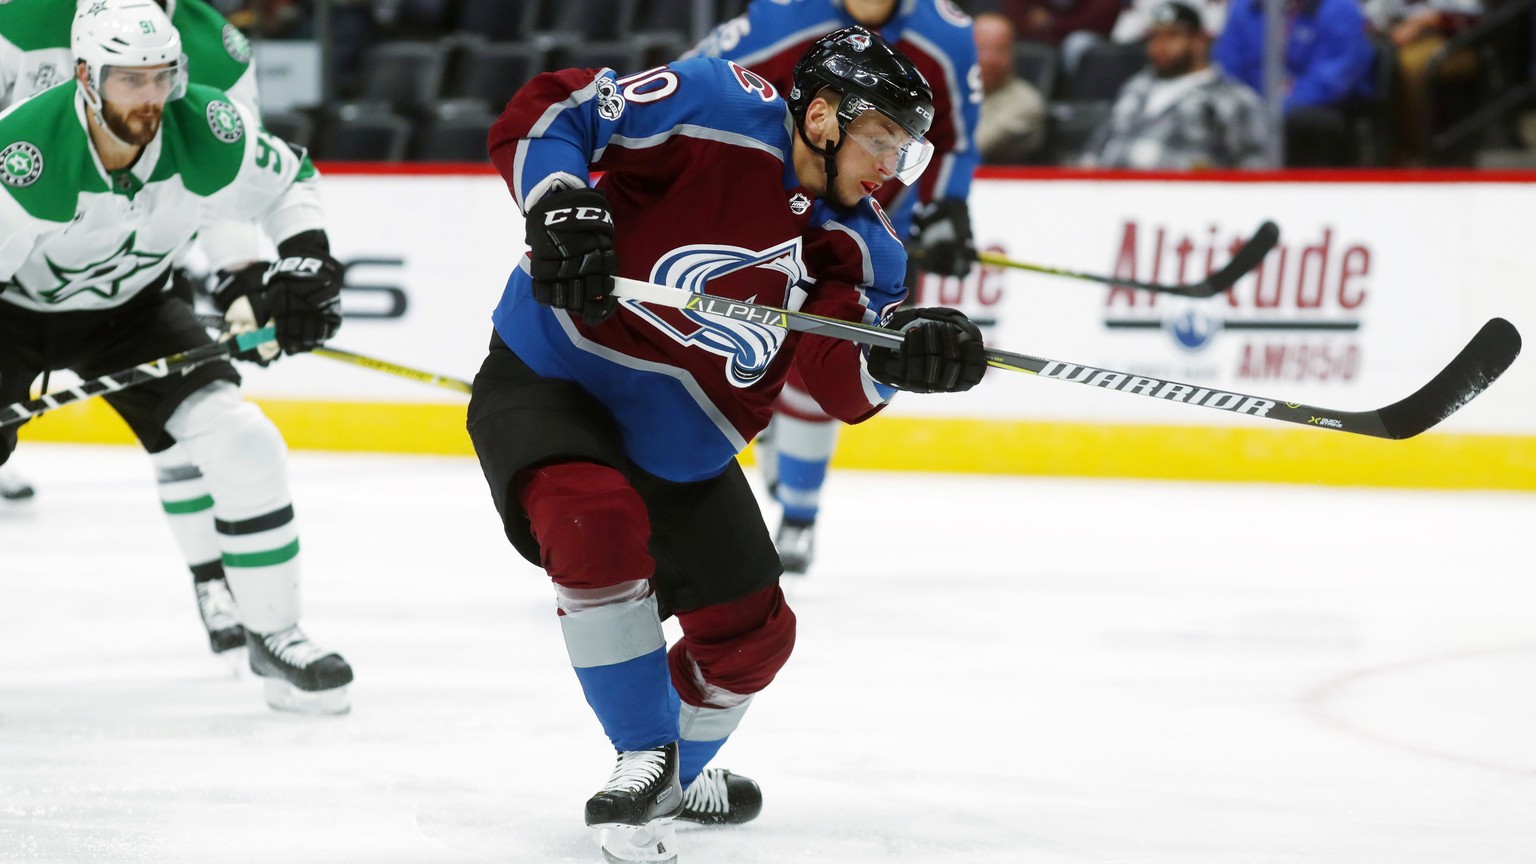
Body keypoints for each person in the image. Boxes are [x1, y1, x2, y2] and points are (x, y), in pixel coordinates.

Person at [468, 25, 987, 862]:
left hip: (683, 442)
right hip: (555, 374)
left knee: (754, 637)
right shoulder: (713, 104)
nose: (893, 167)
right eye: (884, 140)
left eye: (907, 150)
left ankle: (677, 773)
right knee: (592, 517)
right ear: (823, 116)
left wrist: (903, 362)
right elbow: (554, 107)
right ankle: (646, 758)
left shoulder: (862, 243)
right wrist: (560, 198)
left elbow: (838, 379)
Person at [0, 0, 352, 713]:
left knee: (244, 441)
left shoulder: (206, 125)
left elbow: (289, 179)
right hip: (14, 313)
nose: (151, 98)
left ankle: (273, 634)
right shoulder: (27, 158)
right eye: (130, 80)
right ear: (84, 77)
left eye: (161, 77)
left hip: (133, 312)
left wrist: (301, 265)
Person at [687, 0, 981, 574]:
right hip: (758, 219)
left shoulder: (946, 33)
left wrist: (946, 208)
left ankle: (799, 514)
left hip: (858, 233)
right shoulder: (778, 18)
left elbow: (957, 138)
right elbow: (692, 89)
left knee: (829, 362)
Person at [1082, 2, 1274, 169]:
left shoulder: (1231, 98)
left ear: (1199, 41)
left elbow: (1253, 167)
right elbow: (1096, 148)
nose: (1160, 45)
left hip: (1185, 203)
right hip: (1110, 200)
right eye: (1154, 37)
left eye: (1172, 36)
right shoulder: (1135, 87)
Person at [1214, 0, 1376, 166]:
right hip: (1254, 104)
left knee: (1305, 122)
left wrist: (1277, 106)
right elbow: (1228, 67)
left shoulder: (1340, 8)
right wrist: (1250, 105)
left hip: (1317, 110)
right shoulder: (1243, 7)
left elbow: (1335, 78)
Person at [973, 11, 1047, 164]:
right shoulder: (946, 91)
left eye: (999, 49)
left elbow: (974, 146)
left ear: (1012, 53)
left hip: (1002, 183)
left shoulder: (1025, 101)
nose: (990, 59)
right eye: (982, 48)